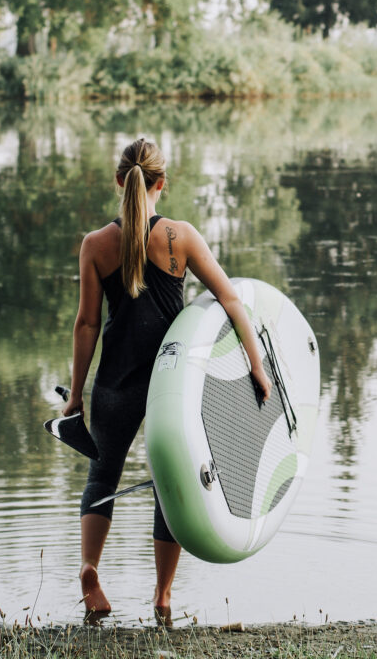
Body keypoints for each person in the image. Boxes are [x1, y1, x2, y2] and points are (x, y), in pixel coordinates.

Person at [61, 137, 271, 625]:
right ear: (162, 184)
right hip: (170, 383)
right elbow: (230, 299)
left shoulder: (96, 245)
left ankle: (90, 569)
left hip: (115, 378)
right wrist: (256, 366)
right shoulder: (181, 238)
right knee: (170, 486)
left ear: (119, 181)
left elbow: (87, 323)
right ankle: (162, 597)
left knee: (102, 474)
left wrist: (75, 394)